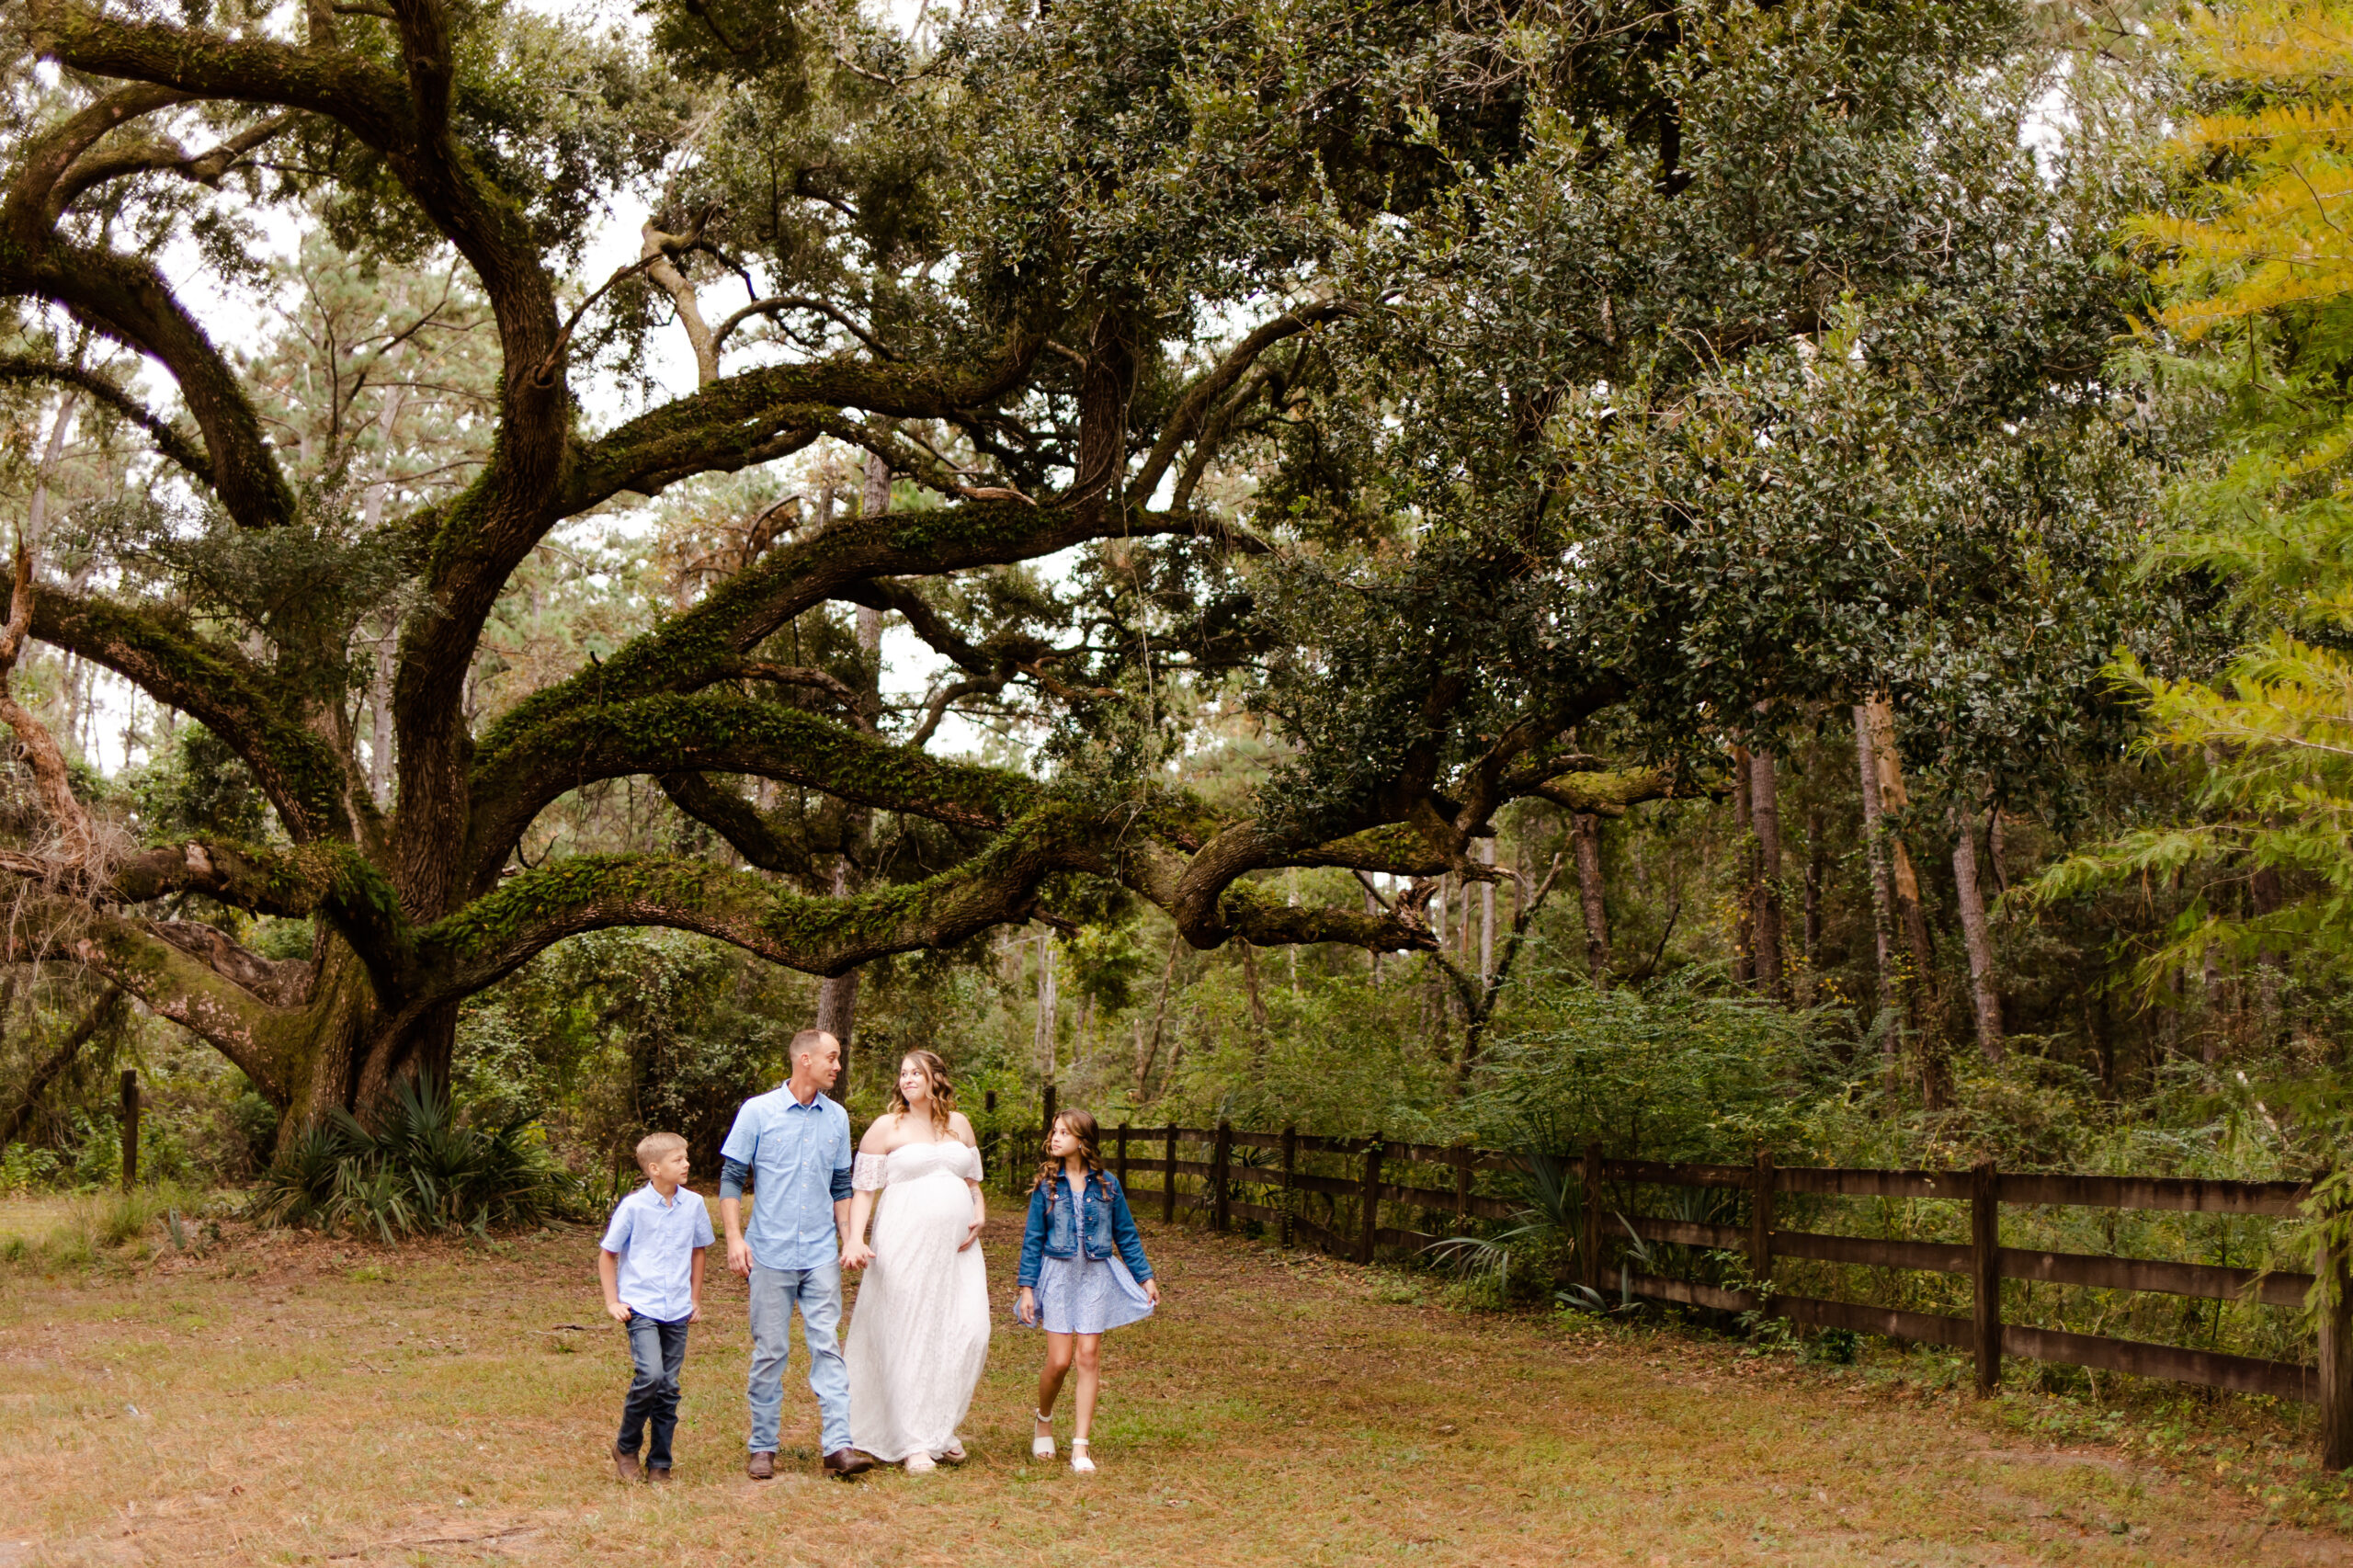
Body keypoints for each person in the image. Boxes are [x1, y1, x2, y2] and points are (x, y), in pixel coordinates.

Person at [718, 1028, 875, 1481]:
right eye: (832, 1057)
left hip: (822, 1253)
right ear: (805, 1059)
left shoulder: (838, 1117)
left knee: (827, 1346)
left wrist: (849, 1238)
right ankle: (763, 1447)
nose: (837, 1065)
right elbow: (731, 1178)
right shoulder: (758, 1112)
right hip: (769, 1252)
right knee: (770, 1351)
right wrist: (734, 1238)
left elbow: (842, 1185)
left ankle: (838, 1447)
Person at [841, 1050, 991, 1471]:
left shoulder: (959, 1124)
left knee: (969, 1332)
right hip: (904, 1243)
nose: (907, 1080)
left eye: (915, 1073)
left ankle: (940, 1427)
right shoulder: (885, 1128)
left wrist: (979, 1208)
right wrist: (854, 1238)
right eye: (903, 1073)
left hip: (958, 1252)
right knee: (909, 1334)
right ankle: (913, 1442)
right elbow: (864, 1190)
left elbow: (972, 1180)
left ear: (935, 1079)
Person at [1015, 1108, 1162, 1473]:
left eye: (1064, 1132)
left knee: (1088, 1355)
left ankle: (1081, 1446)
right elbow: (1032, 1240)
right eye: (1054, 1131)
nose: (1055, 1137)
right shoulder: (1047, 1185)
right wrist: (1027, 1288)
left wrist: (1145, 1276)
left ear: (1082, 1140)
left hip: (1096, 1273)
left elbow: (1125, 1234)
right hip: (1059, 1276)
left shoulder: (1108, 1185)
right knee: (1060, 1360)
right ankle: (1043, 1419)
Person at [597, 1131, 712, 1483]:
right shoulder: (633, 1207)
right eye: (678, 1160)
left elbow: (698, 1251)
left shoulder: (693, 1204)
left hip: (677, 1309)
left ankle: (660, 1463)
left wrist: (695, 1299)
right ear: (654, 1168)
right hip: (641, 1306)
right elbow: (608, 1254)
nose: (686, 1164)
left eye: (685, 1158)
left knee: (669, 1388)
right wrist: (613, 1301)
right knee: (651, 1375)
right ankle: (626, 1446)